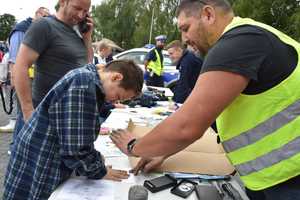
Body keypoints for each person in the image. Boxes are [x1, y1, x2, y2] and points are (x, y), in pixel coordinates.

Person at [110, 0, 300, 200]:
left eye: (186, 28)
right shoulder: (246, 38)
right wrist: (163, 152)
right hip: (273, 174)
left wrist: (134, 147)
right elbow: (208, 115)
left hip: (290, 177)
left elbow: (188, 125)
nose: (183, 39)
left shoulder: (239, 42)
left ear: (208, 14)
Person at [3, 60, 144, 200]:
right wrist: (100, 170)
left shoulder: (87, 80)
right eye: (118, 97)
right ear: (116, 77)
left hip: (42, 152)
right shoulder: (83, 84)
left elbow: (79, 133)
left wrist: (93, 159)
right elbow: (75, 149)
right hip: (42, 158)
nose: (114, 102)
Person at [12, 0, 94, 142]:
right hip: (43, 114)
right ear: (63, 2)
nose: (81, 15)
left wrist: (87, 38)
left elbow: (87, 63)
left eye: (85, 11)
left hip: (65, 115)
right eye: (77, 8)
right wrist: (28, 111)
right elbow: (20, 66)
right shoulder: (44, 26)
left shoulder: (77, 32)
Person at [0, 7, 50, 134]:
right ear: (37, 14)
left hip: (36, 78)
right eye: (45, 16)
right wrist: (14, 78)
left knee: (30, 115)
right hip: (25, 78)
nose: (47, 20)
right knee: (24, 115)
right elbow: (14, 57)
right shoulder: (21, 29)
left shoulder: (40, 30)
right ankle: (16, 147)